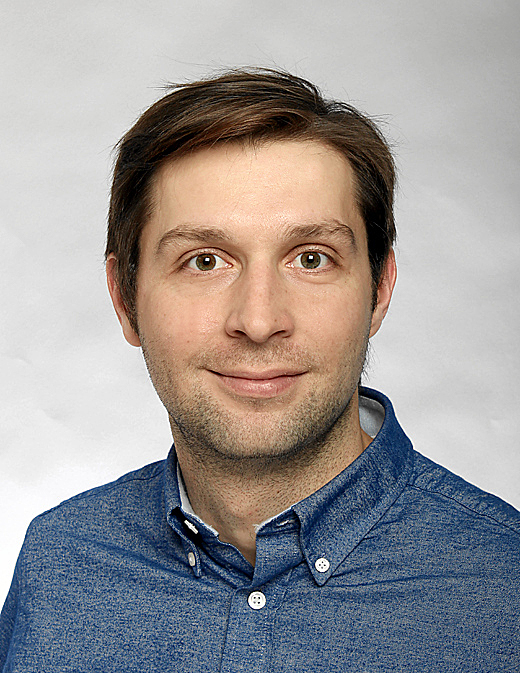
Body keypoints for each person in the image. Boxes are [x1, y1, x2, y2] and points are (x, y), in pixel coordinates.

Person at [1, 68, 518, 672]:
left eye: (311, 258)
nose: (258, 320)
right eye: (205, 261)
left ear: (379, 290)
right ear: (124, 298)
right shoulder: (59, 568)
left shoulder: (504, 585)